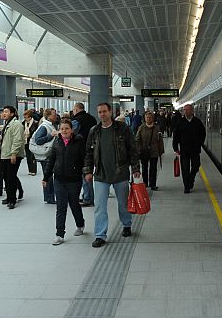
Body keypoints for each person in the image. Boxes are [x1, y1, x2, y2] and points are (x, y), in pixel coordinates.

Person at [83, 102, 140, 247]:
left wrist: (135, 169)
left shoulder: (123, 128)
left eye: (104, 111)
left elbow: (132, 149)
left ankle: (126, 224)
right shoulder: (94, 131)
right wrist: (88, 170)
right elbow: (88, 153)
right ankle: (100, 235)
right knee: (100, 207)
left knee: (123, 204)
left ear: (110, 112)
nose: (102, 114)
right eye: (100, 112)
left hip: (120, 173)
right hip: (101, 175)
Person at [42, 119, 86, 245]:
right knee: (61, 207)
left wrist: (85, 173)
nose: (64, 131)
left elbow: (84, 159)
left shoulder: (78, 142)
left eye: (67, 128)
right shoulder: (57, 142)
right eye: (62, 129)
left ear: (72, 130)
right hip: (59, 180)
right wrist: (46, 177)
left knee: (74, 204)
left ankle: (80, 224)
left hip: (74, 180)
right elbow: (51, 160)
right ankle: (59, 234)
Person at [172, 104, 206, 194]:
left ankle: (191, 179)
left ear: (192, 111)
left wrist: (200, 143)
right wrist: (175, 148)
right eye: (184, 110)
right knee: (185, 168)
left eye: (187, 110)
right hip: (184, 150)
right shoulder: (180, 122)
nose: (185, 112)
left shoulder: (197, 122)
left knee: (196, 166)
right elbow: (176, 136)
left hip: (195, 150)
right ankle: (187, 186)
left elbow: (203, 133)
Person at [71, 102, 97, 206]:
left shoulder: (76, 120)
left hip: (81, 150)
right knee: (88, 173)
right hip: (92, 149)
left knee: (85, 175)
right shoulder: (92, 119)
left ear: (76, 110)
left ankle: (88, 198)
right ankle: (87, 196)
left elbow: (72, 135)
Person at [0, 105, 25, 209]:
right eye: (3, 112)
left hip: (13, 155)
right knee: (6, 176)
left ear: (12, 113)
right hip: (5, 154)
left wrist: (14, 153)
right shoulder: (7, 124)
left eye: (6, 112)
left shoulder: (16, 124)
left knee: (10, 177)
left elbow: (17, 140)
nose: (3, 113)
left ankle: (12, 200)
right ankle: (10, 196)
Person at [32, 108, 59, 204]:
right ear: (48, 116)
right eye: (54, 114)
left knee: (49, 176)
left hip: (48, 155)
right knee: (48, 177)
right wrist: (51, 135)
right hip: (46, 156)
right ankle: (49, 197)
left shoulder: (50, 125)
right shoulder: (44, 126)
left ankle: (49, 196)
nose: (56, 116)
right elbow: (38, 140)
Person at [136, 111, 165, 191]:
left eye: (150, 117)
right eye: (147, 117)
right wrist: (138, 149)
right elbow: (137, 139)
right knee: (144, 168)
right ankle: (145, 183)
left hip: (154, 151)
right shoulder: (141, 128)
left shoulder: (157, 128)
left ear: (153, 118)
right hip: (144, 151)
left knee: (153, 168)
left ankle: (153, 184)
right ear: (145, 118)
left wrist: (161, 150)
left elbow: (160, 139)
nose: (148, 119)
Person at [22, 109, 39, 176]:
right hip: (26, 141)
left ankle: (34, 170)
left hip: (33, 141)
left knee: (33, 156)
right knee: (28, 156)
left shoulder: (35, 123)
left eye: (26, 117)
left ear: (30, 117)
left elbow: (36, 133)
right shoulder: (23, 123)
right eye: (24, 117)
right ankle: (30, 169)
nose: (25, 119)